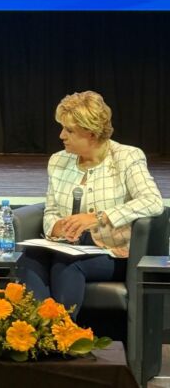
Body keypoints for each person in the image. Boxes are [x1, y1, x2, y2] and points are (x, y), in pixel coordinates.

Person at [23, 90, 163, 318]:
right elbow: (51, 210)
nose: (61, 136)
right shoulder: (58, 161)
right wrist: (56, 227)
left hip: (113, 252)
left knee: (67, 263)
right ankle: (39, 332)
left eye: (69, 130)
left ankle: (62, 333)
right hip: (67, 245)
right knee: (28, 259)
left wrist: (99, 217)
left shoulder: (126, 157)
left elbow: (152, 201)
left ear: (91, 133)